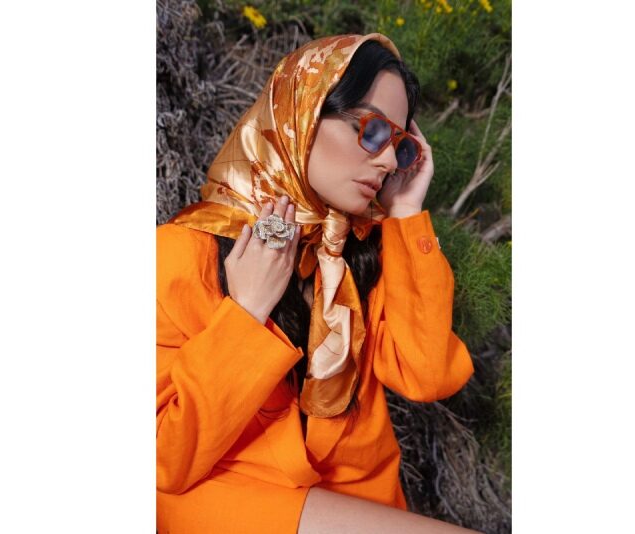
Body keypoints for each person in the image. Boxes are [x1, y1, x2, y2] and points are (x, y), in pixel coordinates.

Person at [156, 33, 478, 533]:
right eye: (373, 130)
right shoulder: (178, 255)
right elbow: (161, 456)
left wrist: (405, 211)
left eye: (400, 145)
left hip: (356, 502)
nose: (388, 162)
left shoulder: (359, 257)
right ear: (301, 114)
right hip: (226, 496)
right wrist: (246, 314)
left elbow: (427, 374)